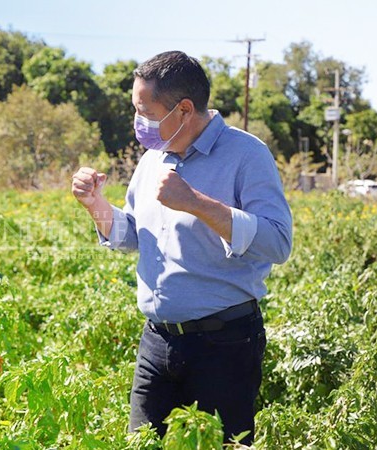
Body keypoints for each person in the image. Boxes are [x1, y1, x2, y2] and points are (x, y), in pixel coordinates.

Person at [71, 51, 292, 444]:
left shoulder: (247, 155)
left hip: (224, 344)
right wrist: (97, 207)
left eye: (145, 111)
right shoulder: (152, 159)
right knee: (143, 443)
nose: (138, 122)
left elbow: (277, 242)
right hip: (157, 342)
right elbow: (132, 237)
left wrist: (197, 203)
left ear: (184, 109)